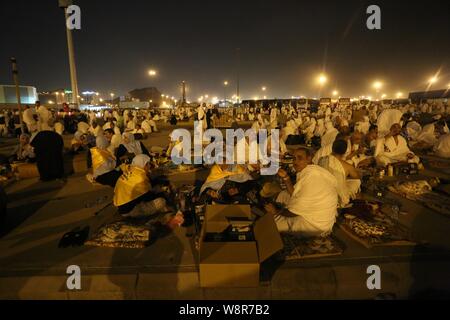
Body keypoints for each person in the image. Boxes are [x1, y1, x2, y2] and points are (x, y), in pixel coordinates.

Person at [264, 148, 338, 237]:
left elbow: (293, 213)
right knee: (283, 194)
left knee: (272, 223)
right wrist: (286, 177)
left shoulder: (312, 177)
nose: (296, 162)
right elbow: (294, 194)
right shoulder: (312, 170)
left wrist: (276, 211)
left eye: (300, 158)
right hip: (318, 214)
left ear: (309, 159)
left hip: (316, 225)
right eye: (294, 158)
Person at [113, 155, 177, 222]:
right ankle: (137, 217)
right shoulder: (140, 178)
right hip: (129, 210)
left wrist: (160, 184)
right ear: (143, 164)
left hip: (121, 206)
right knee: (161, 202)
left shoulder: (131, 170)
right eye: (148, 163)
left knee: (156, 188)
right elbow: (148, 197)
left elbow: (148, 184)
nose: (150, 166)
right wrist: (162, 193)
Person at [318, 139, 361, 207]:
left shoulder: (322, 159)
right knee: (357, 181)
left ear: (332, 148)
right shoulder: (347, 166)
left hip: (321, 191)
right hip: (338, 197)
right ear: (344, 152)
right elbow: (357, 177)